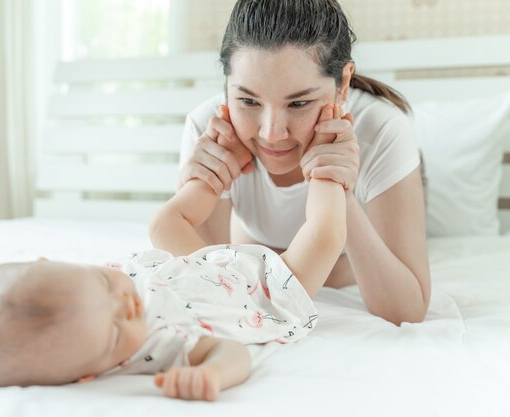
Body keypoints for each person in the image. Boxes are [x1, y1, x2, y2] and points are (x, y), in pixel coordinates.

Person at [0, 104, 347, 401]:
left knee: (162, 224)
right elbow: (230, 354)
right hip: (263, 292)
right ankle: (326, 164)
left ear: (51, 263)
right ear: (87, 374)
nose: (127, 303)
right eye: (114, 331)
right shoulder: (155, 347)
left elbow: (148, 266)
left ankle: (225, 159)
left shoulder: (77, 288)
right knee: (325, 236)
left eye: (106, 284)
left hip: (201, 267)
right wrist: (211, 375)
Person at [178, 0, 431, 325]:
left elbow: (406, 310)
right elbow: (207, 288)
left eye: (298, 103)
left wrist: (342, 192)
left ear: (343, 83)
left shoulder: (381, 130)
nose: (271, 133)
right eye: (248, 100)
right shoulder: (209, 131)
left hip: (352, 256)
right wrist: (197, 190)